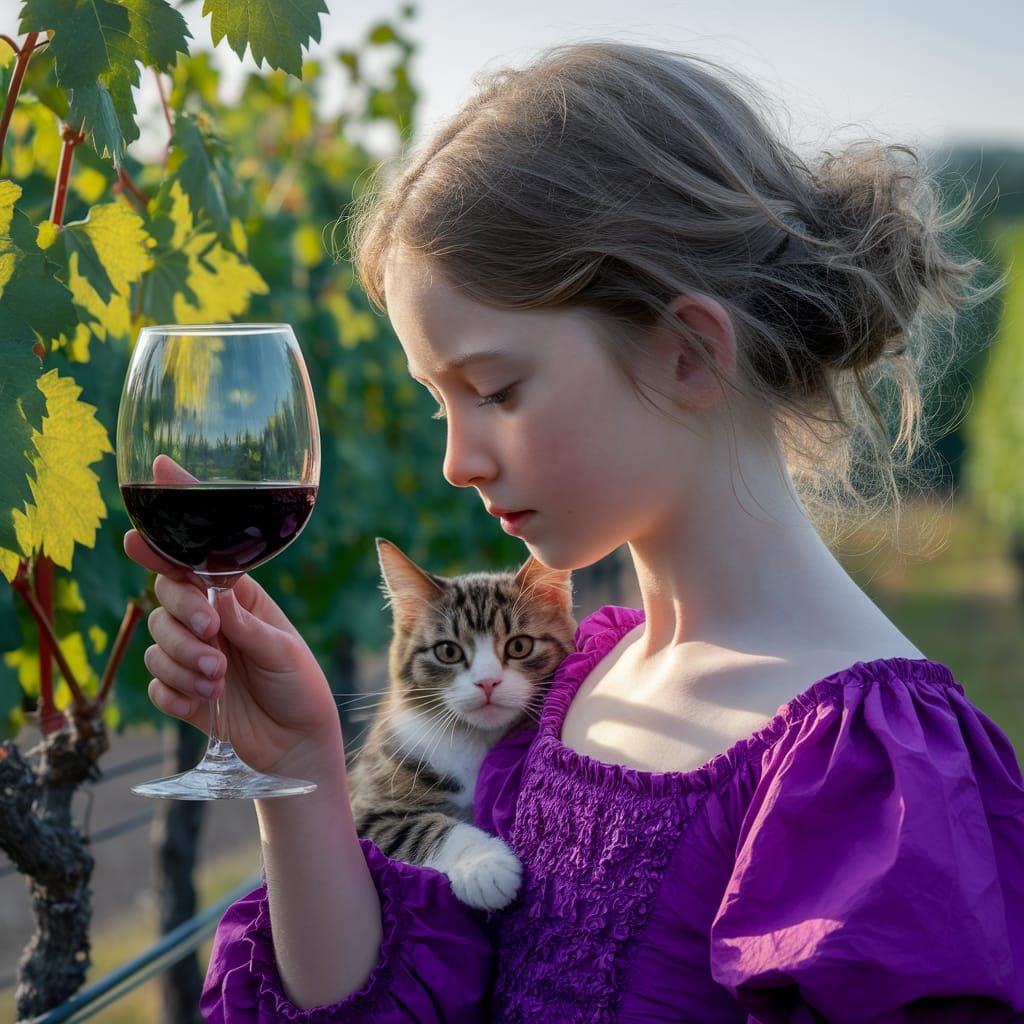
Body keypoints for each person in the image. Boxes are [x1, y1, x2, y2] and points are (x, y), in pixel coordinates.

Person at [125, 41, 1024, 1022]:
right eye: (438, 404)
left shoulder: (867, 771)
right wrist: (297, 770)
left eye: (496, 390)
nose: (456, 461)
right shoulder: (567, 686)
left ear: (688, 353)